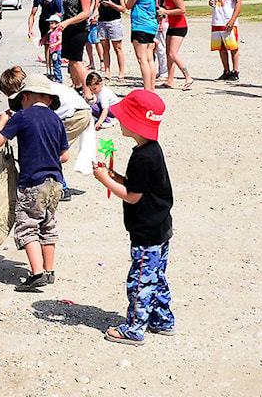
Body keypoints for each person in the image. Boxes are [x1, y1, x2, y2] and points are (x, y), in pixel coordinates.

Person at [92, 89, 174, 346]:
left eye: (124, 117)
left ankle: (135, 328)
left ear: (135, 122)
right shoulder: (151, 150)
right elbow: (138, 186)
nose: (119, 121)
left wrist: (104, 179)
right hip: (160, 228)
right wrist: (114, 175)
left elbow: (132, 196)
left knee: (139, 281)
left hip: (146, 232)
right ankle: (162, 320)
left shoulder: (142, 157)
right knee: (156, 276)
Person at [0, 74, 69, 292]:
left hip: (32, 182)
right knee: (48, 225)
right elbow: (65, 156)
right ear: (50, 100)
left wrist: (2, 122)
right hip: (56, 183)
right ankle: (49, 270)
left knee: (27, 226)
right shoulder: (56, 120)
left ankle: (37, 274)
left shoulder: (22, 117)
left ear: (24, 96)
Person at [0, 66, 94, 201]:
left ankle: (60, 187)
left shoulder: (39, 93)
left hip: (76, 115)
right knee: (50, 149)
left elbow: (38, 117)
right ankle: (53, 182)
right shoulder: (38, 86)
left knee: (51, 149)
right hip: (76, 112)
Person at [53, 0, 94, 101]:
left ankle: (88, 91)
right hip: (70, 28)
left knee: (77, 61)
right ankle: (77, 87)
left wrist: (66, 22)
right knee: (72, 61)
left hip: (78, 28)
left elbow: (86, 12)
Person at [155, 0, 193, 90]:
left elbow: (182, 9)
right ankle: (170, 80)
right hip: (171, 25)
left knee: (173, 53)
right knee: (168, 53)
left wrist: (166, 12)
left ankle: (188, 76)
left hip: (180, 26)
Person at [124, 0, 159, 91]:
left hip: (140, 25)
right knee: (150, 59)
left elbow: (128, 4)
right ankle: (152, 88)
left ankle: (147, 88)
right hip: (151, 24)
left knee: (142, 59)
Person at [209, 0, 242, 81]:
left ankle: (235, 71)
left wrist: (232, 20)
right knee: (221, 47)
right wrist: (211, 2)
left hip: (228, 19)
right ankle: (226, 70)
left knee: (232, 47)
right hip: (217, 19)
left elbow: (238, 2)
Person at [28, 0, 64, 77]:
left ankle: (56, 68)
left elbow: (59, 15)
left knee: (54, 43)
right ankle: (48, 69)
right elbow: (32, 14)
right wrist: (30, 29)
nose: (46, 2)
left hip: (55, 19)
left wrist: (51, 30)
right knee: (46, 45)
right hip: (44, 18)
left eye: (48, 0)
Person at [97, 0, 127, 79]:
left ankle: (121, 72)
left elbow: (123, 8)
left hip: (114, 21)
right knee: (105, 48)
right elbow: (97, 5)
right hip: (102, 21)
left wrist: (111, 4)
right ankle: (107, 71)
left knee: (117, 48)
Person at [85, 0, 103, 71]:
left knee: (96, 40)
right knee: (87, 41)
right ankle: (91, 62)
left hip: (92, 13)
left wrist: (95, 11)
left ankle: (101, 62)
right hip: (85, 14)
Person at [47, 14, 63, 84]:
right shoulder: (52, 32)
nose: (51, 25)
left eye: (52, 23)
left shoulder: (58, 32)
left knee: (57, 66)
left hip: (56, 50)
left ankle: (59, 80)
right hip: (53, 51)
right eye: (50, 23)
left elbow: (60, 41)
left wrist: (54, 45)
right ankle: (56, 77)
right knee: (54, 65)